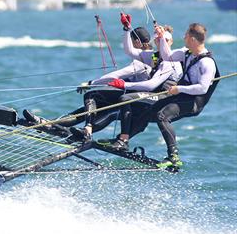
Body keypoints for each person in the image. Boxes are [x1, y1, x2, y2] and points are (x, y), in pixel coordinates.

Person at [101, 22, 219, 169]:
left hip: (194, 101)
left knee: (162, 116)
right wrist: (162, 37)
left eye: (186, 36)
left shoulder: (207, 63)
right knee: (149, 111)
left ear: (193, 39)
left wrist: (179, 88)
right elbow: (167, 56)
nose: (183, 37)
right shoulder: (186, 53)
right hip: (181, 96)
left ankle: (173, 157)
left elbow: (202, 88)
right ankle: (122, 140)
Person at [22, 22, 155, 137]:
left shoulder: (141, 62)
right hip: (131, 98)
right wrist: (126, 29)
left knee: (92, 95)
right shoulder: (150, 56)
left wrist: (91, 83)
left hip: (133, 102)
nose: (129, 46)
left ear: (137, 42)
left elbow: (116, 75)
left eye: (132, 42)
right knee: (85, 110)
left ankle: (87, 129)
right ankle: (49, 124)